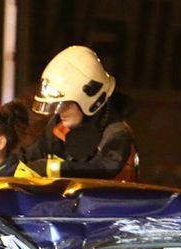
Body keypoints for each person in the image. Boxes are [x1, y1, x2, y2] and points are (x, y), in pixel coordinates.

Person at [25, 45, 138, 181]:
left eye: (65, 104)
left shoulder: (116, 133)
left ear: (90, 100)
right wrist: (1, 167)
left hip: (109, 201)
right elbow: (32, 154)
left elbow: (104, 169)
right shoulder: (59, 126)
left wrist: (55, 169)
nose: (60, 111)